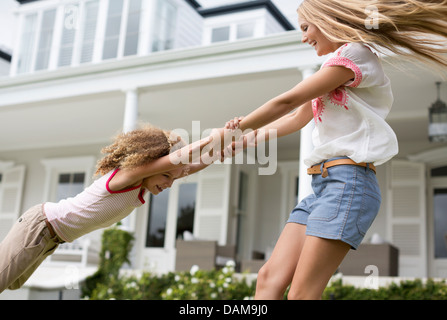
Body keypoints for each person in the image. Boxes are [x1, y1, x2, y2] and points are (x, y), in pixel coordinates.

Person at [225, 0, 447, 300]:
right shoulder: (331, 66)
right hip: (321, 187)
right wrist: (242, 141)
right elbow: (295, 117)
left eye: (305, 28)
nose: (303, 37)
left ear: (325, 19)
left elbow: (287, 102)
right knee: (268, 280)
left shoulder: (356, 54)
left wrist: (241, 124)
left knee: (302, 294)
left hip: (349, 183)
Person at [0, 124, 217, 293]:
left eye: (173, 178)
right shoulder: (125, 177)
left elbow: (190, 167)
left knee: (13, 283)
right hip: (39, 227)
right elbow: (175, 160)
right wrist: (216, 137)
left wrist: (229, 147)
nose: (170, 183)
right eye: (166, 175)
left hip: (51, 238)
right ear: (150, 164)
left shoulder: (139, 188)